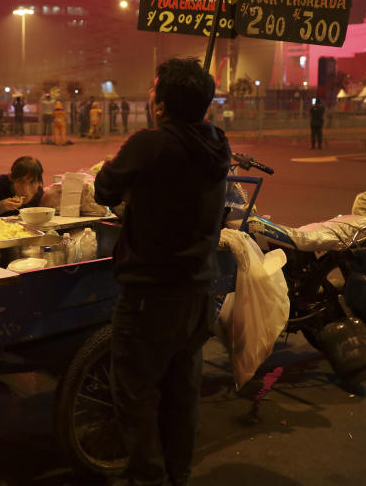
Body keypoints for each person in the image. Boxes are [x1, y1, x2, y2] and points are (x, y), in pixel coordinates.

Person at [94, 58, 231, 486]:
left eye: (155, 89)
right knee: (181, 396)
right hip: (196, 295)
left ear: (162, 103)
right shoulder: (216, 143)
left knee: (134, 398)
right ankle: (178, 477)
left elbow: (103, 189)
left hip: (150, 297)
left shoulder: (149, 144)